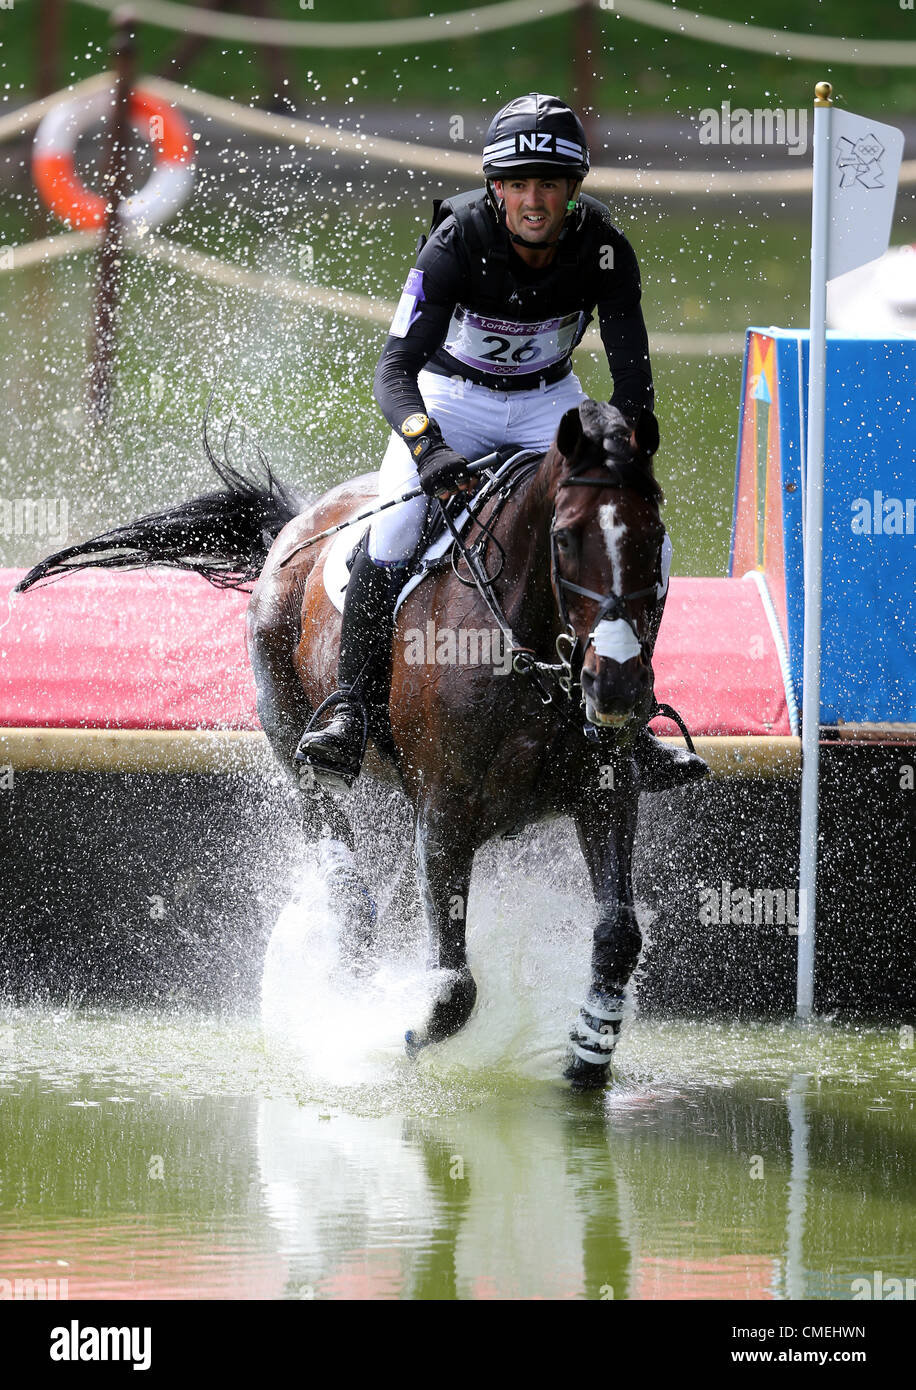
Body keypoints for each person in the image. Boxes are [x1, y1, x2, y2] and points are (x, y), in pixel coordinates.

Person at [295, 93, 707, 791]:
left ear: (572, 192)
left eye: (549, 183)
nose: (534, 200)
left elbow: (633, 378)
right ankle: (353, 712)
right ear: (495, 189)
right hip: (453, 397)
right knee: (394, 530)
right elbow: (394, 370)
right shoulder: (454, 243)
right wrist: (430, 449)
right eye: (518, 185)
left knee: (648, 540)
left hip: (551, 399)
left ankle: (631, 720)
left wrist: (624, 453)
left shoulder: (604, 248)